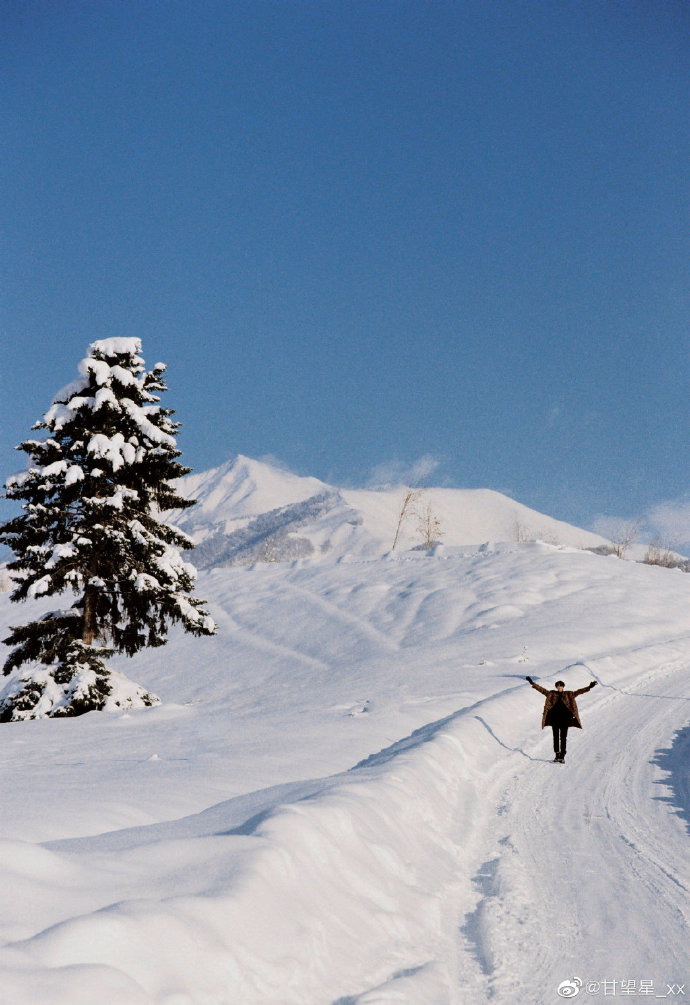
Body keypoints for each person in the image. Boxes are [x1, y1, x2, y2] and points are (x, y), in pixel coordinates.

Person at [525, 676, 597, 762]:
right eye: (558, 686)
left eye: (561, 686)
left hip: (565, 720)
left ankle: (562, 755)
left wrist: (589, 687)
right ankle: (557, 755)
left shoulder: (569, 694)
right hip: (554, 720)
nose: (559, 687)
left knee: (563, 737)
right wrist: (532, 683)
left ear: (563, 687)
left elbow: (579, 692)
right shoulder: (551, 694)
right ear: (556, 687)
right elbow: (542, 690)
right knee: (555, 737)